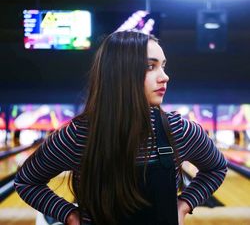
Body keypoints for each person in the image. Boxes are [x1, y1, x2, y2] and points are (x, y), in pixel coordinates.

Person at [14, 31, 227, 225]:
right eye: (149, 66)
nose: (164, 76)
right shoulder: (78, 136)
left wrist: (183, 206)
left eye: (163, 65)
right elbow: (26, 181)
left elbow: (217, 168)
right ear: (120, 73)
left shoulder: (179, 130)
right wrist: (70, 215)